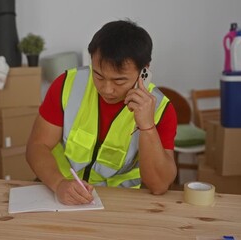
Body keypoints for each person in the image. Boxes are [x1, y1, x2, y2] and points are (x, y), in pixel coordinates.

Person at [26, 20, 177, 205]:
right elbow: (37, 145)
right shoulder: (67, 84)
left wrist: (147, 127)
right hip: (59, 192)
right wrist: (59, 183)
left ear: (144, 71)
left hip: (119, 201)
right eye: (98, 75)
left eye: (119, 81)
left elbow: (159, 185)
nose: (106, 89)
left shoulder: (162, 109)